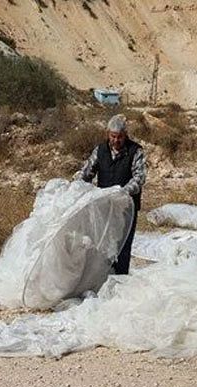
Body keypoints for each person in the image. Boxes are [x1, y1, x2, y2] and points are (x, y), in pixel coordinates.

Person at [76, 114, 146, 275]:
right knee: (101, 241)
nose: (116, 140)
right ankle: (101, 276)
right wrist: (76, 186)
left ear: (125, 135)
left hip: (126, 208)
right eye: (113, 136)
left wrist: (123, 192)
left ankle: (120, 278)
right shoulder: (100, 150)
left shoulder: (135, 151)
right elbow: (87, 172)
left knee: (122, 244)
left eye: (120, 137)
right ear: (108, 134)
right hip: (104, 206)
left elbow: (139, 177)